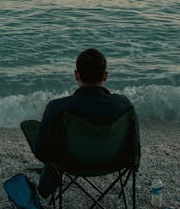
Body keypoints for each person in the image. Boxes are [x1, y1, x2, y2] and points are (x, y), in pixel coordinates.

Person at [21, 47, 139, 197]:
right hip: (113, 161)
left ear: (76, 75)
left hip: (71, 163)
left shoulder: (58, 107)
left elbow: (41, 151)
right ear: (105, 75)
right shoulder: (124, 105)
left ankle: (46, 185)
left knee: (36, 128)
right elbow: (134, 147)